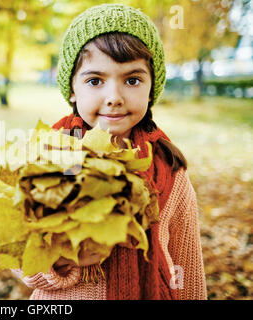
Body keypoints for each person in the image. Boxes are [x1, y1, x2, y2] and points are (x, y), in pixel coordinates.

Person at [12, 3, 207, 300]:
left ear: (151, 86)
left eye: (132, 80)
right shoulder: (46, 159)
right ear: (73, 90)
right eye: (95, 81)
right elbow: (18, 256)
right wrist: (64, 260)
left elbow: (187, 268)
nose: (114, 97)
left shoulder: (169, 172)